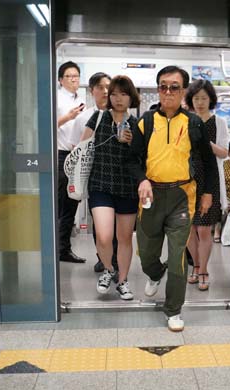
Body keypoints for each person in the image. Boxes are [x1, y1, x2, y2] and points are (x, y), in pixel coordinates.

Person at [129, 66, 218, 331]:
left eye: (174, 87)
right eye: (163, 86)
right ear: (158, 89)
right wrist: (142, 180)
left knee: (179, 254)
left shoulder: (193, 123)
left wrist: (208, 193)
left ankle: (173, 309)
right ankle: (155, 273)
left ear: (183, 92)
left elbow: (208, 162)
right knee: (146, 253)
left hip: (182, 196)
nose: (168, 92)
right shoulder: (145, 121)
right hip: (151, 197)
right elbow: (132, 160)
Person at [80, 75, 140, 300]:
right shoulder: (98, 118)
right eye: (114, 94)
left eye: (123, 94)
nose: (117, 98)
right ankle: (108, 269)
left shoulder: (137, 124)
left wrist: (131, 142)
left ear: (130, 97)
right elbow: (82, 146)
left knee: (124, 238)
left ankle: (123, 281)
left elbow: (143, 159)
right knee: (104, 236)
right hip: (100, 184)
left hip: (127, 187)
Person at [72, 72, 119, 274]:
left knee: (116, 222)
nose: (105, 91)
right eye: (100, 87)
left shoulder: (120, 115)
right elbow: (76, 149)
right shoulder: (82, 118)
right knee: (98, 223)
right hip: (94, 178)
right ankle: (103, 258)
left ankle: (114, 259)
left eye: (108, 86)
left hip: (118, 178)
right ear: (92, 91)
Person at [183, 79, 229, 291]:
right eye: (196, 98)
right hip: (186, 179)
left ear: (211, 99)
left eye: (204, 98)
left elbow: (224, 152)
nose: (200, 102)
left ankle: (203, 270)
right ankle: (196, 266)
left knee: (204, 229)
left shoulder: (218, 122)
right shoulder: (185, 120)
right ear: (190, 100)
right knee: (188, 229)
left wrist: (204, 141)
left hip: (210, 180)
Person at [56, 61, 87, 263]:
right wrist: (68, 116)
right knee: (62, 204)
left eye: (76, 75)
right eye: (69, 76)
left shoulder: (81, 99)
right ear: (60, 80)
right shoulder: (56, 99)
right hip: (61, 155)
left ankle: (64, 248)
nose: (74, 79)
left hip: (78, 156)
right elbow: (46, 124)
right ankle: (60, 249)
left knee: (73, 202)